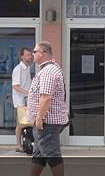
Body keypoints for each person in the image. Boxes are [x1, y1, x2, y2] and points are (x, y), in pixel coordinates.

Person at [27, 41, 68, 176]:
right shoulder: (48, 69)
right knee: (39, 155)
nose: (32, 54)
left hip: (47, 122)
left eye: (34, 51)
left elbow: (46, 97)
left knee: (52, 155)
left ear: (42, 53)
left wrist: (39, 118)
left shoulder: (48, 72)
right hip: (45, 121)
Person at [13, 47, 33, 152]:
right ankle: (18, 145)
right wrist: (28, 93)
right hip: (20, 100)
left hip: (26, 99)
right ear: (22, 56)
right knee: (20, 123)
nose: (30, 56)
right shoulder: (18, 69)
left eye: (30, 54)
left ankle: (25, 143)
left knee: (25, 122)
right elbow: (15, 86)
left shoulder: (27, 68)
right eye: (28, 55)